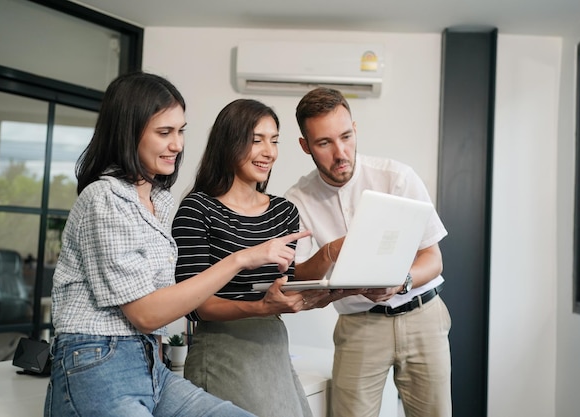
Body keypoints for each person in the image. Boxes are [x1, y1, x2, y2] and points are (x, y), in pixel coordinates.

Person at [45, 72, 308, 417]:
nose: (178, 145)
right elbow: (145, 314)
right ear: (128, 132)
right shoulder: (104, 199)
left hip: (151, 363)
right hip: (97, 362)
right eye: (164, 132)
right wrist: (241, 259)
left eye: (180, 131)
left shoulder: (159, 201)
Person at [285, 87, 452, 417]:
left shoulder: (397, 178)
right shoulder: (297, 199)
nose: (340, 152)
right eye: (324, 143)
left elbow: (433, 259)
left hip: (422, 315)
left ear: (355, 129)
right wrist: (332, 251)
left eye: (346, 136)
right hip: (358, 325)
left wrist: (401, 281)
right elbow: (298, 274)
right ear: (305, 146)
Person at [171, 98, 336, 417]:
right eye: (256, 139)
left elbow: (281, 287)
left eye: (274, 140)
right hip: (222, 350)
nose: (269, 151)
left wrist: (319, 295)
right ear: (229, 142)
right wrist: (260, 307)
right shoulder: (197, 210)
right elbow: (195, 305)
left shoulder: (283, 212)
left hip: (273, 345)